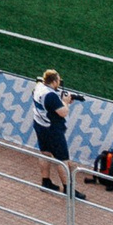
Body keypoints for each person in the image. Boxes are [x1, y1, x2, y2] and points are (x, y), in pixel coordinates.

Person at [31, 68, 84, 197]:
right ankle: (68, 188)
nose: (59, 83)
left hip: (40, 125)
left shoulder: (38, 87)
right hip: (52, 130)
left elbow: (51, 103)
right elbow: (63, 112)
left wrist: (61, 101)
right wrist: (66, 103)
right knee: (63, 160)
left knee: (45, 153)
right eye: (58, 81)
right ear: (54, 81)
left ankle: (46, 181)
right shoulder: (50, 96)